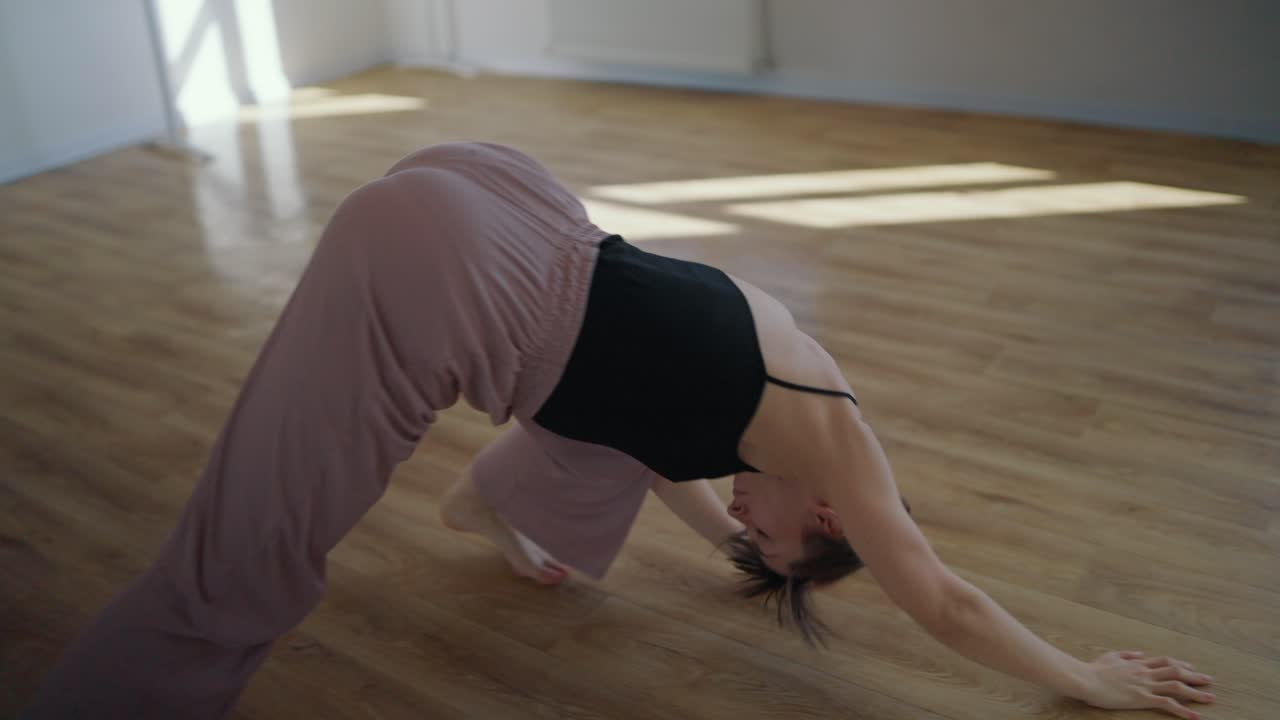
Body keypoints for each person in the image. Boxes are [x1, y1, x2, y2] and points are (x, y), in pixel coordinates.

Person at [23, 142, 1215, 720]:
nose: (742, 524)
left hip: (501, 198)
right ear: (829, 517)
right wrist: (1081, 677)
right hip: (446, 278)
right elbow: (945, 601)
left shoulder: (782, 384)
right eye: (773, 541)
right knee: (236, 580)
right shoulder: (847, 467)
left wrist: (725, 552)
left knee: (600, 445)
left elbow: (667, 466)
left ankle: (491, 504)